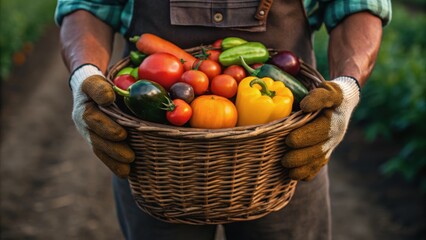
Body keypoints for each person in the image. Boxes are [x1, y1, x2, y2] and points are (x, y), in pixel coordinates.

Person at [55, 0, 391, 239]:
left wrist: (346, 88)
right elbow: (88, 4)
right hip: (155, 156)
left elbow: (356, 5)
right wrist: (83, 76)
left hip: (285, 152)